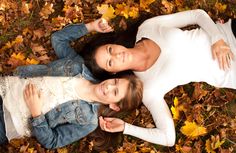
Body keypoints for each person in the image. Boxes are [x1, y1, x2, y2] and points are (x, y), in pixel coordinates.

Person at [81, 9, 236, 146]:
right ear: (113, 72)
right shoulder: (149, 89)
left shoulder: (147, 28)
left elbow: (196, 15)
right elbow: (168, 138)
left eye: (110, 49)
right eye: (110, 62)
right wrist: (126, 128)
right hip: (231, 71)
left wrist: (217, 39)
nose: (116, 55)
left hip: (229, 33)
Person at [1, 19, 143, 150]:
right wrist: (91, 26)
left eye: (115, 92)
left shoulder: (88, 121)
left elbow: (53, 141)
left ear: (114, 106)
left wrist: (36, 113)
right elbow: (58, 39)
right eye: (115, 82)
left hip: (8, 122)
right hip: (6, 88)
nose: (108, 86)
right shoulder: (78, 66)